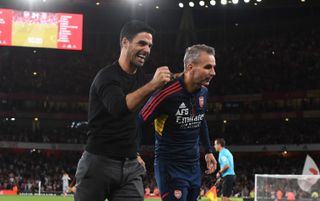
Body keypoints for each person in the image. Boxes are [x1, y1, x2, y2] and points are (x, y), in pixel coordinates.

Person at [74, 20, 172, 201]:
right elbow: (119, 108)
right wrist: (152, 85)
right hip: (98, 163)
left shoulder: (142, 79)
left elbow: (171, 80)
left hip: (131, 167)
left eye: (150, 45)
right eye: (142, 43)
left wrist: (194, 73)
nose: (147, 50)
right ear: (125, 42)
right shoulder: (106, 77)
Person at [138, 44, 218, 201]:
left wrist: (208, 150)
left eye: (214, 67)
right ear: (190, 67)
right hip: (170, 167)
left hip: (193, 166)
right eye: (208, 67)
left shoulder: (204, 92)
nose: (213, 72)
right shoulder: (166, 94)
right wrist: (135, 152)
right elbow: (139, 120)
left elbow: (200, 120)